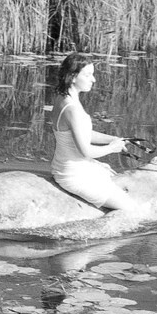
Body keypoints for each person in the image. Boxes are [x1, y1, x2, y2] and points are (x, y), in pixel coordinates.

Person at [50, 50, 131, 213]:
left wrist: (114, 138)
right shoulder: (72, 109)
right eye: (87, 75)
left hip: (66, 166)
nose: (93, 79)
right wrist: (113, 148)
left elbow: (85, 134)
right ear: (72, 77)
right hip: (73, 174)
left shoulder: (63, 98)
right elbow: (86, 151)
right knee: (129, 207)